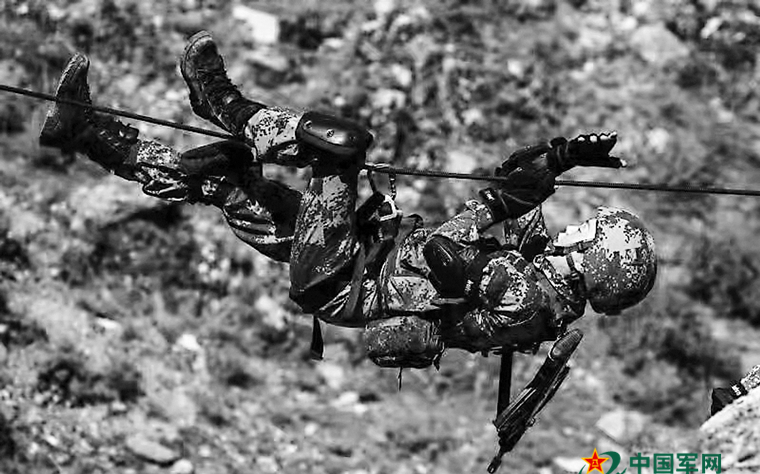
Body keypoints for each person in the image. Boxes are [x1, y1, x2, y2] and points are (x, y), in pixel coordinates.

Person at [39, 31, 657, 370]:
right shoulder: (539, 294)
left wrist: (493, 213)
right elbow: (501, 195)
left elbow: (446, 250)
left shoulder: (522, 293)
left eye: (590, 232)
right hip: (354, 260)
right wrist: (560, 157)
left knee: (339, 147)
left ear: (595, 258)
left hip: (341, 273)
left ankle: (223, 103)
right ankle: (86, 132)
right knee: (224, 180)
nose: (577, 229)